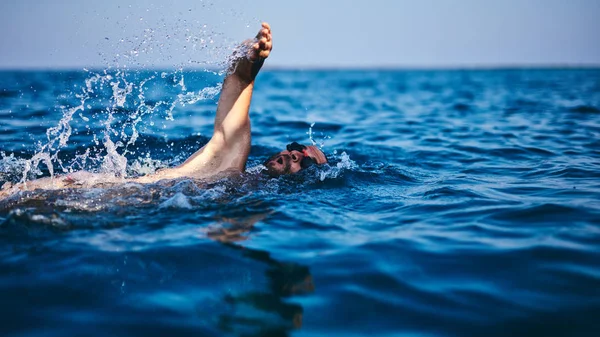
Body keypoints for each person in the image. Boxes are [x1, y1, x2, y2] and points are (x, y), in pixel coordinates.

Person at [0, 23, 327, 199]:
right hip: (94, 191)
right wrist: (252, 57)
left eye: (304, 161)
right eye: (295, 149)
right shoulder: (230, 164)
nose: (293, 156)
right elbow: (238, 81)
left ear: (307, 176)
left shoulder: (238, 184)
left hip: (101, 202)